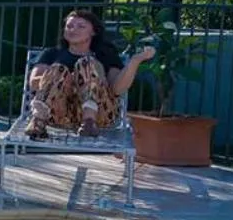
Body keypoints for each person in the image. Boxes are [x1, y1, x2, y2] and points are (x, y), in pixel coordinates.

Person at [26, 9, 155, 139]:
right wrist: (64, 80)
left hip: (100, 116)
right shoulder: (52, 54)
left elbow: (117, 89)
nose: (73, 30)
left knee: (87, 64)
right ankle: (38, 122)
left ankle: (88, 121)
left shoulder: (106, 55)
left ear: (93, 32)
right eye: (69, 26)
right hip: (58, 114)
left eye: (81, 26)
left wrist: (135, 61)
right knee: (58, 69)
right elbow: (33, 83)